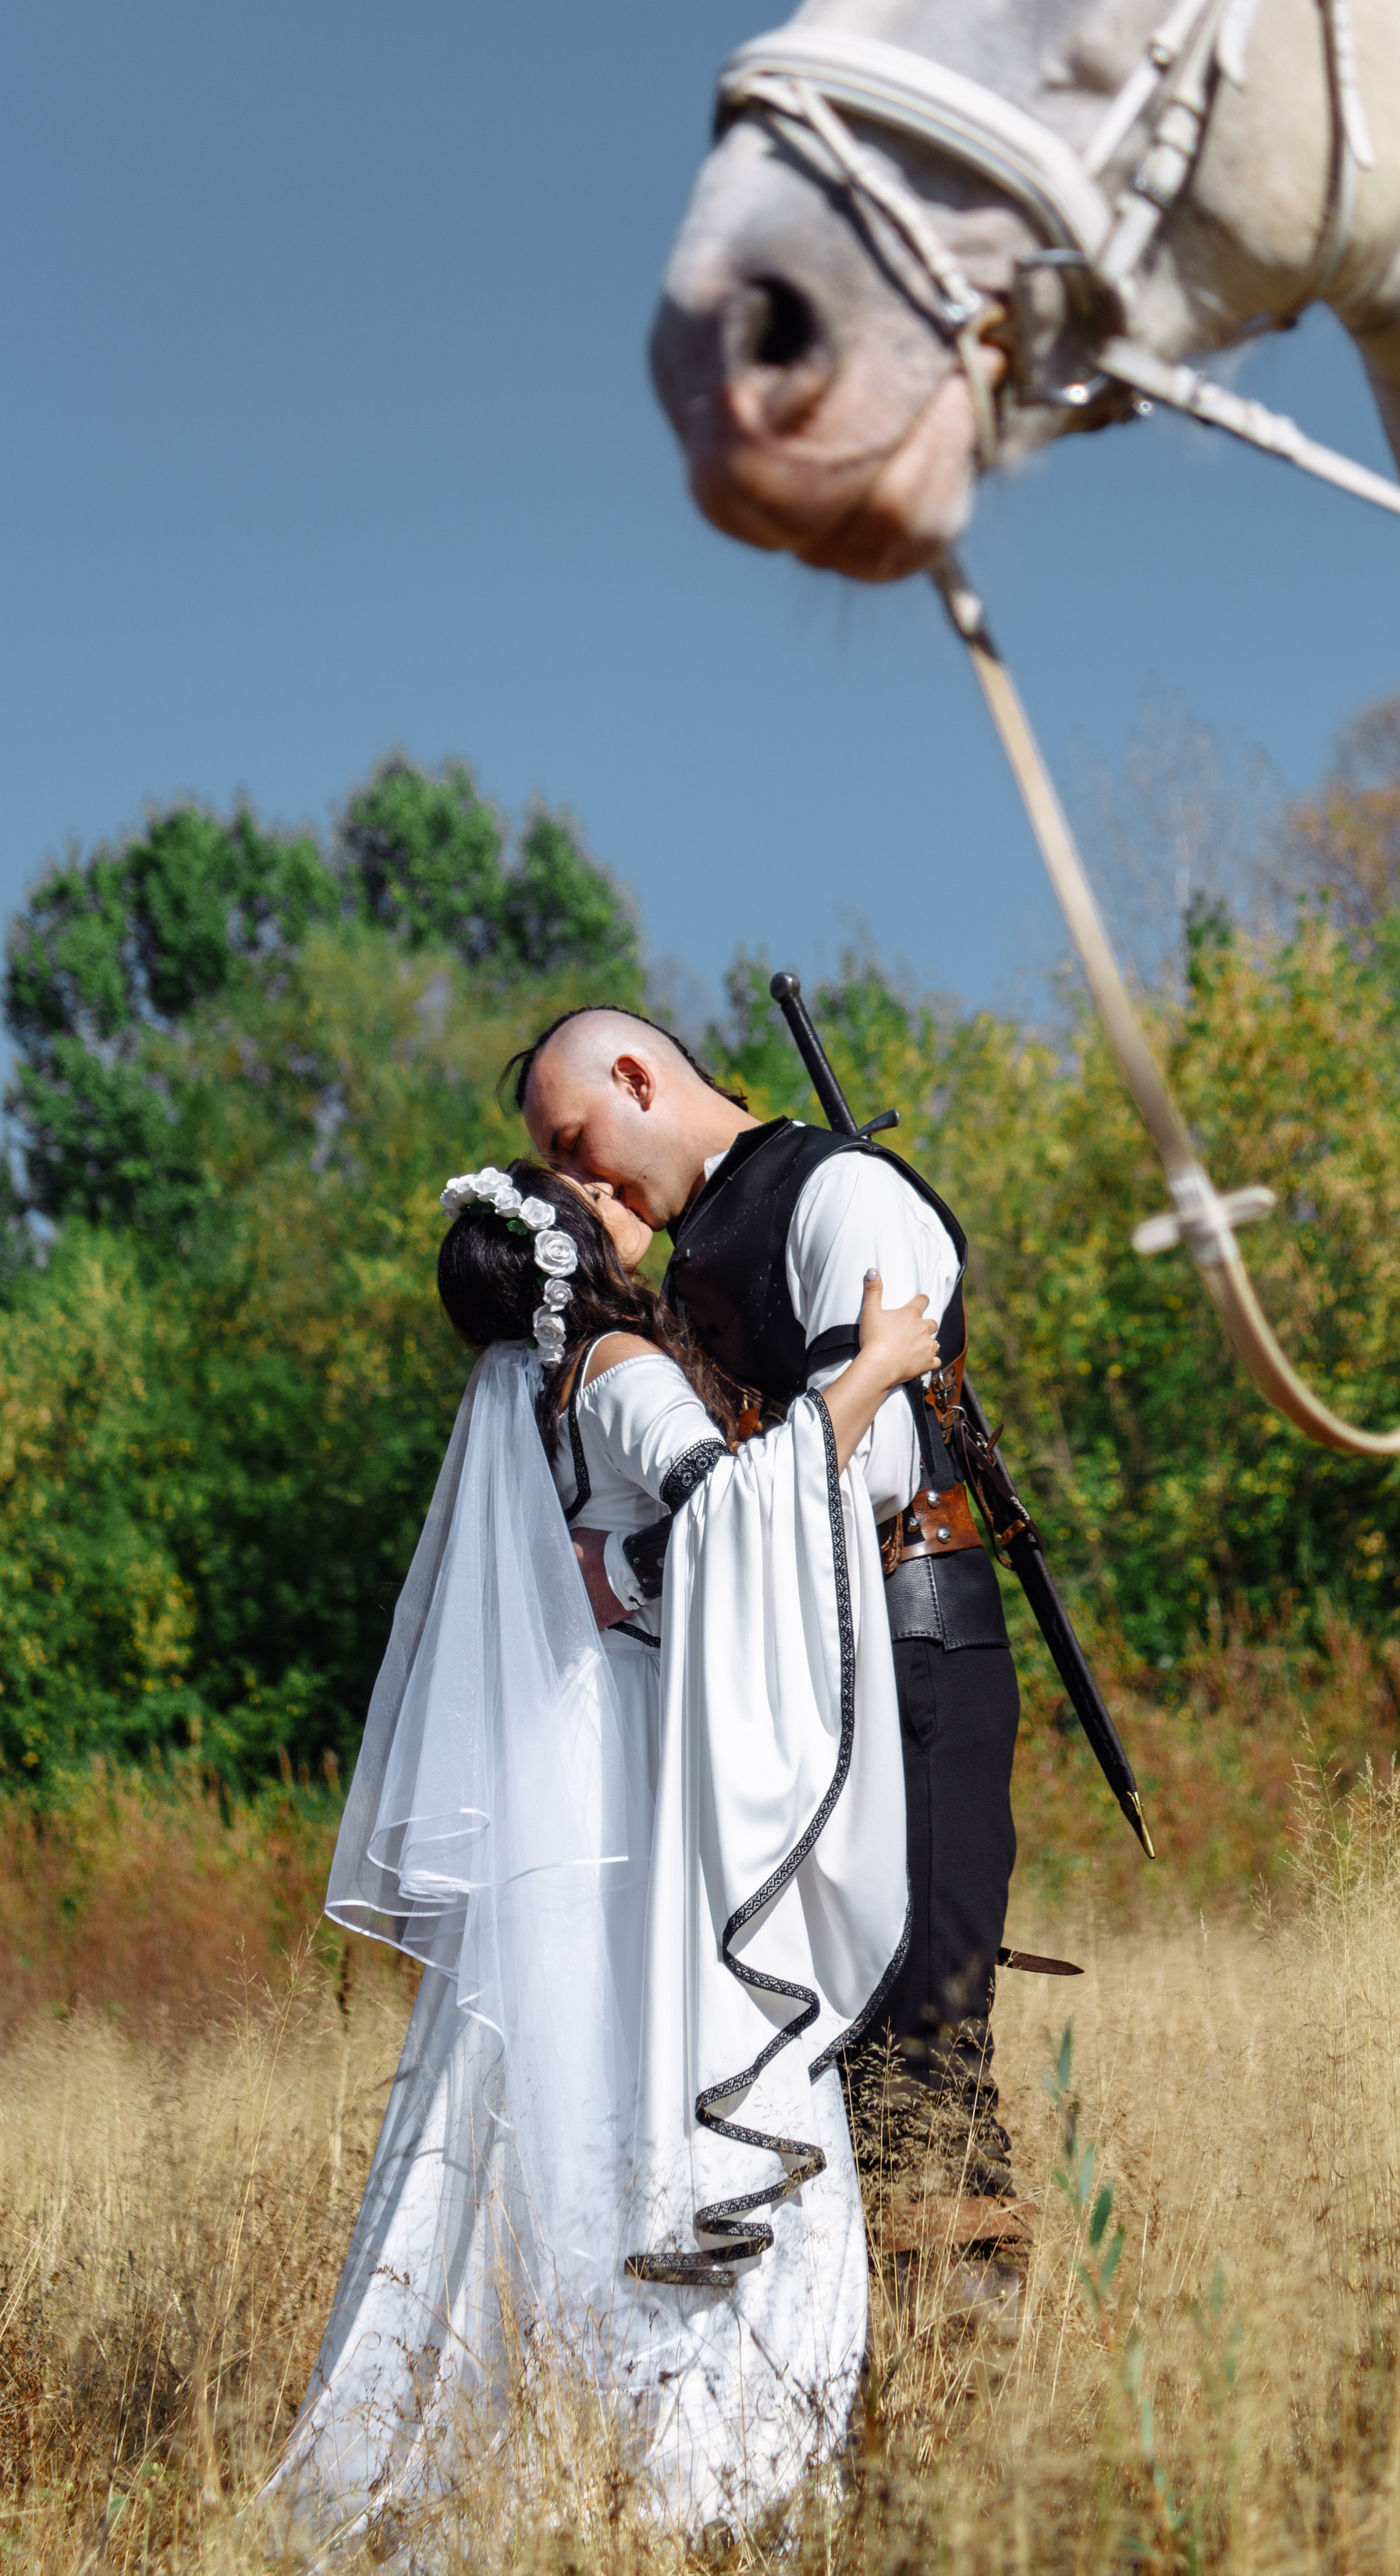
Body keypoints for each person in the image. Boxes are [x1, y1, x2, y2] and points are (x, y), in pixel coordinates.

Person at [266, 1158, 929, 2546]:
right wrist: (874, 1372)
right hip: (637, 1760)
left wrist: (608, 1572)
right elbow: (730, 1515)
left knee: (568, 2088)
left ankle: (565, 2427)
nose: (621, 1195)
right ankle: (703, 2455)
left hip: (565, 1762)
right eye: (589, 1192)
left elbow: (627, 1546)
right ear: (577, 1252)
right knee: (679, 2059)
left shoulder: (524, 1390)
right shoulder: (617, 1362)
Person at [513, 1007, 1023, 2212]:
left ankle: (976, 2370)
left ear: (637, 1078)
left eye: (577, 1140)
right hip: (797, 1668)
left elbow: (884, 1458)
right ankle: (878, 2382)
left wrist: (662, 1552)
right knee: (824, 2055)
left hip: (909, 1640)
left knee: (924, 2042)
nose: (576, 1182)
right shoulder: (686, 1262)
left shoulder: (838, 1191)